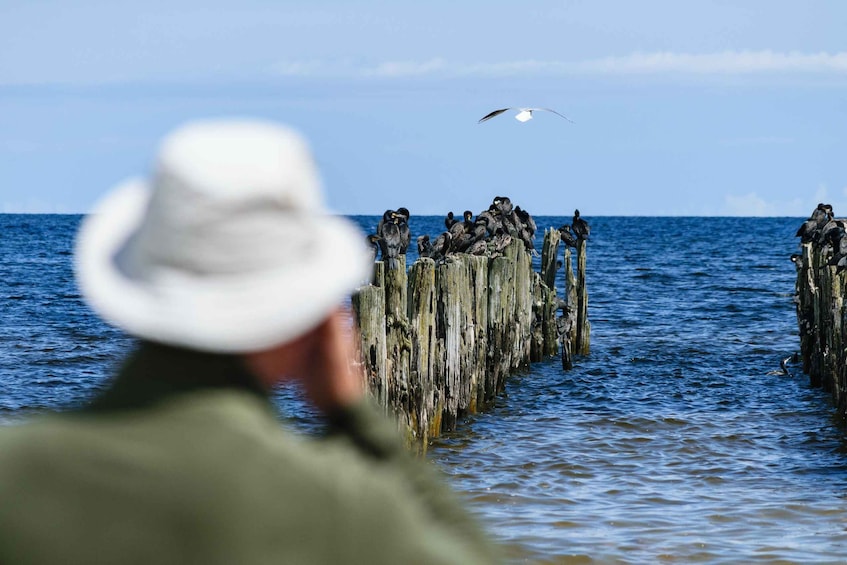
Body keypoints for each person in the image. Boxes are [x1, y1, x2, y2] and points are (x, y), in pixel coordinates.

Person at [0, 119, 499, 564]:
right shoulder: (338, 507)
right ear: (309, 318)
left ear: (139, 289)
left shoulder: (13, 470)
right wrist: (352, 413)